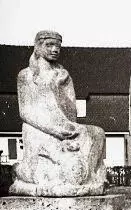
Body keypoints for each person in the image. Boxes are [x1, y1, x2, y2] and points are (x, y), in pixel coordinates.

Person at [11, 30, 106, 196]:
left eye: (58, 46)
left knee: (97, 133)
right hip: (38, 128)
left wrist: (59, 86)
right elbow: (25, 112)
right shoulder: (25, 76)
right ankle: (75, 177)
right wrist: (53, 129)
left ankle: (89, 176)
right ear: (38, 47)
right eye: (50, 45)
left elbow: (71, 113)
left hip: (63, 126)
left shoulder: (63, 75)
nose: (55, 49)